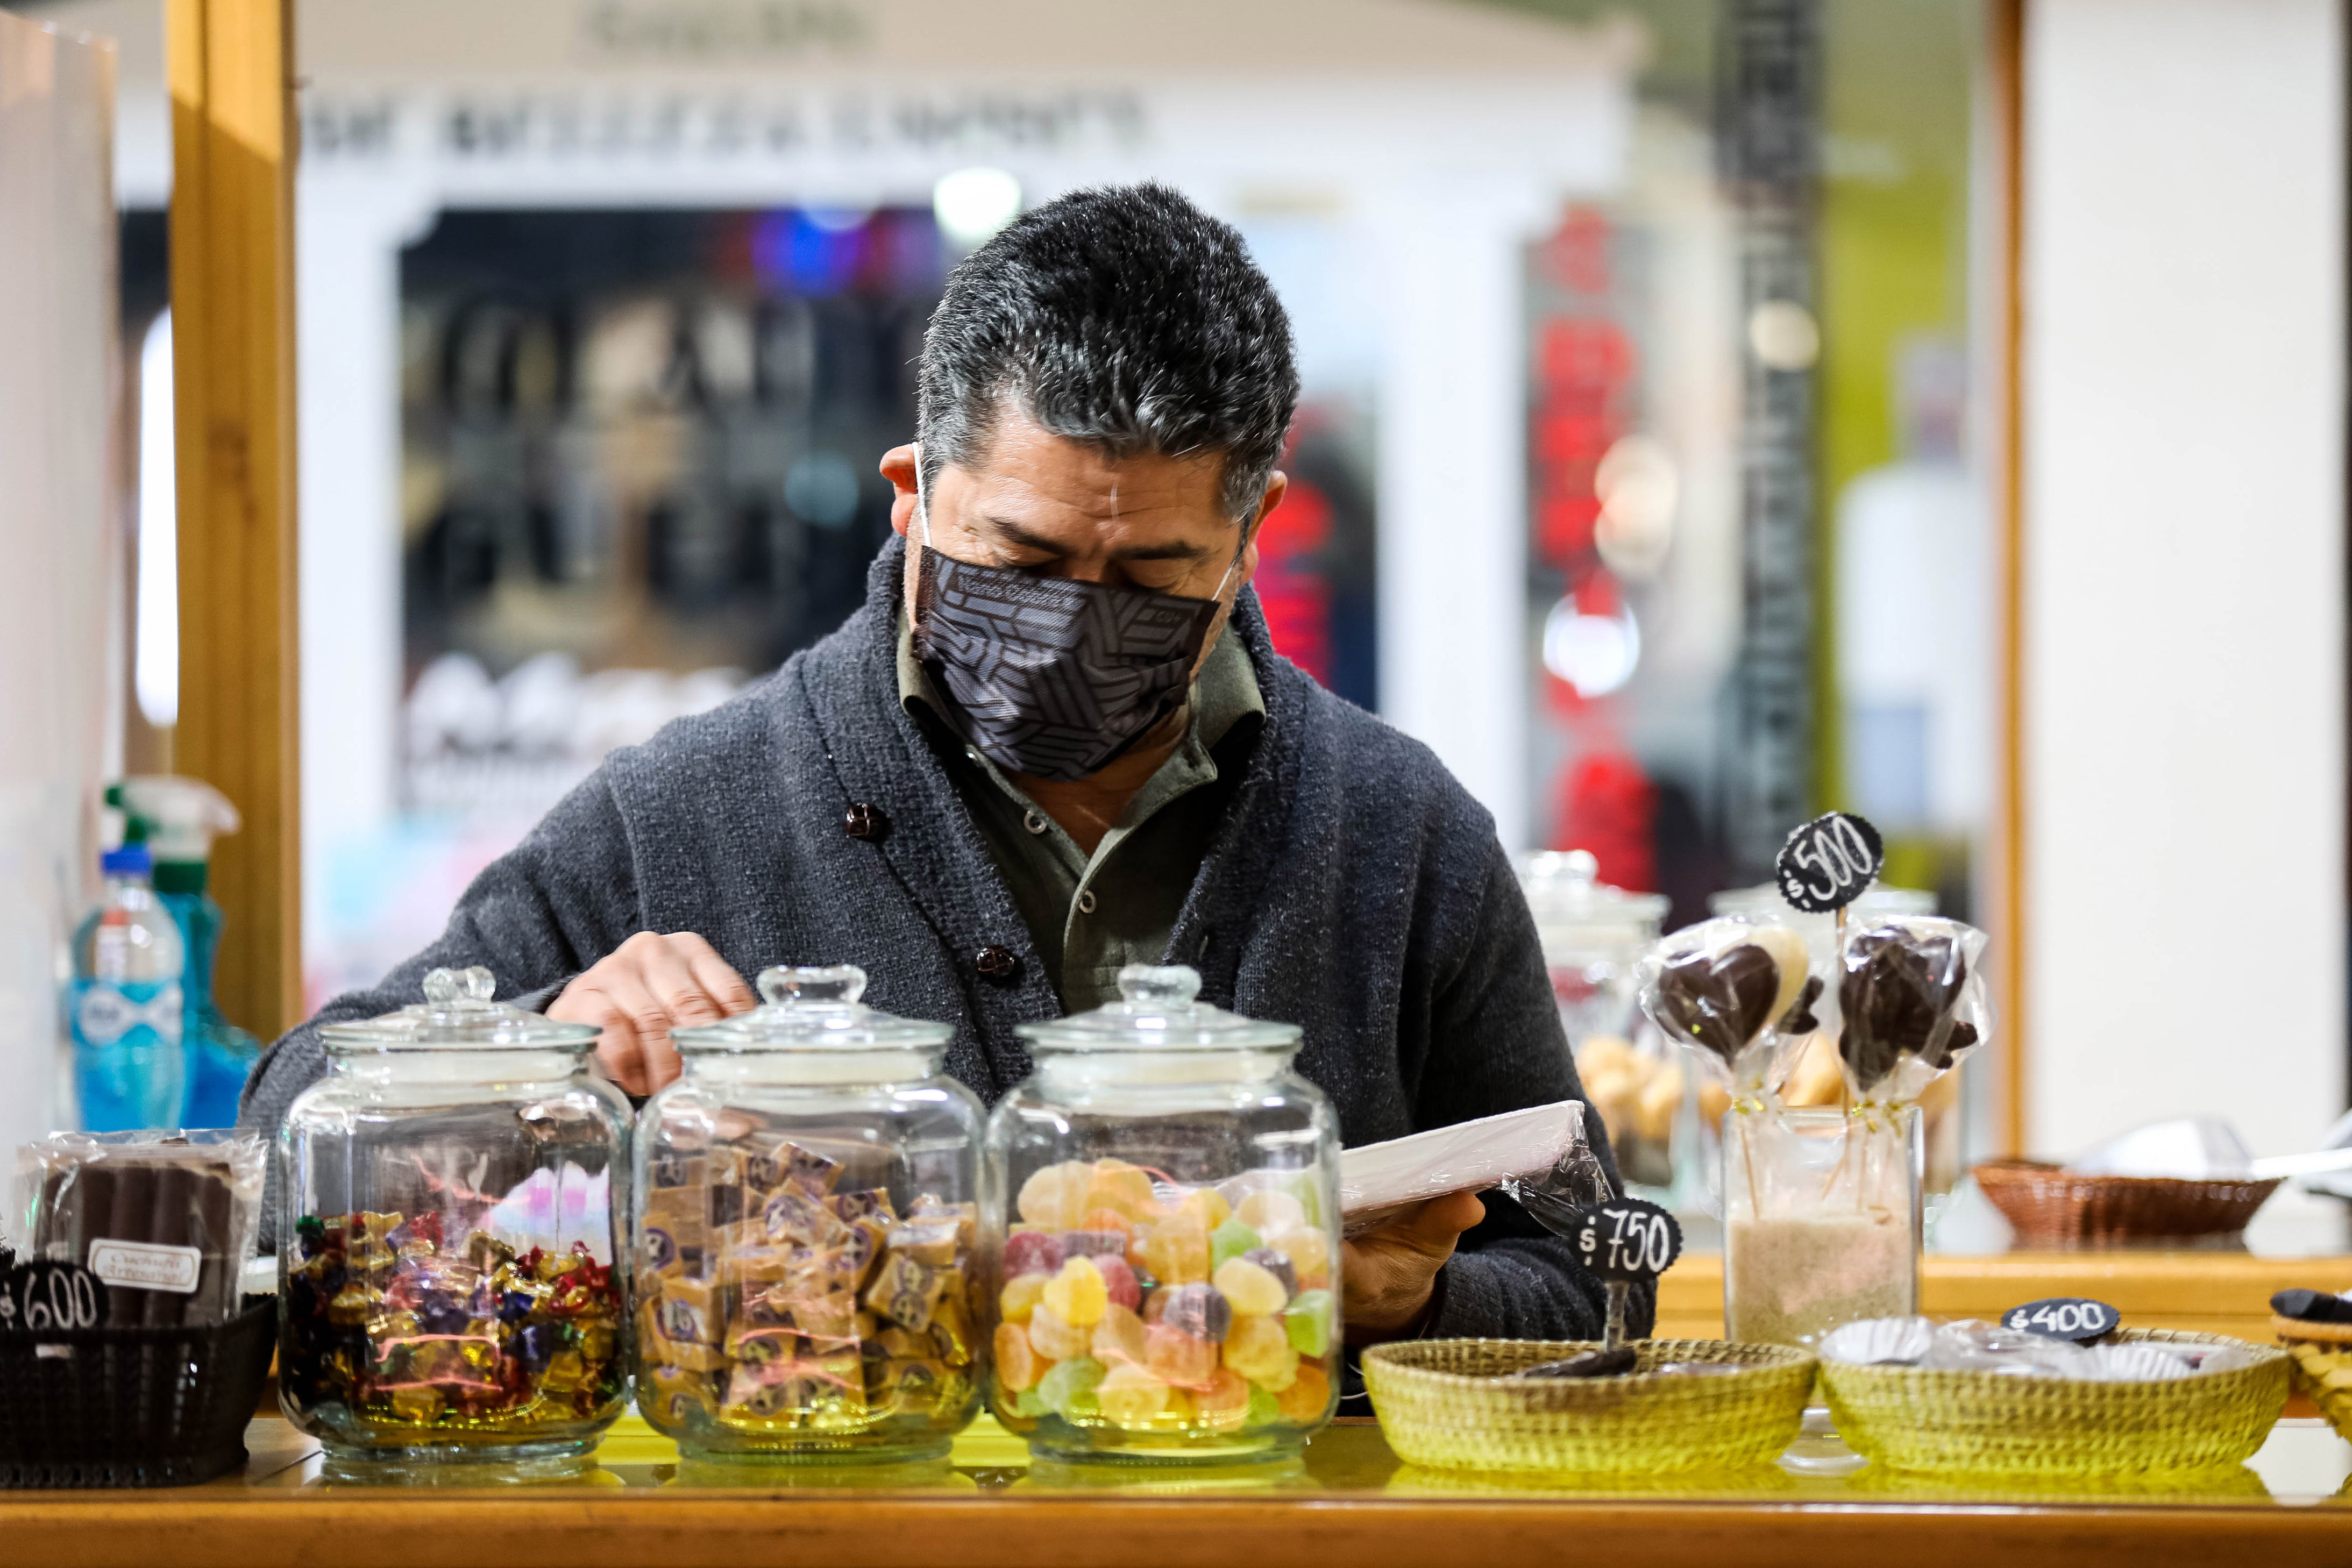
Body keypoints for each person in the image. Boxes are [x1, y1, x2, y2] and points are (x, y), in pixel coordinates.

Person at [243, 182, 1648, 1348]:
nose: (1075, 620)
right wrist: (550, 1043)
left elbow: (1603, 1267)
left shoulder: (1395, 834)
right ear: (914, 493)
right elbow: (282, 1142)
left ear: (1249, 531)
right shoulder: (691, 813)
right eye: (1023, 560)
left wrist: (1415, 1295)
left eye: (1152, 570)